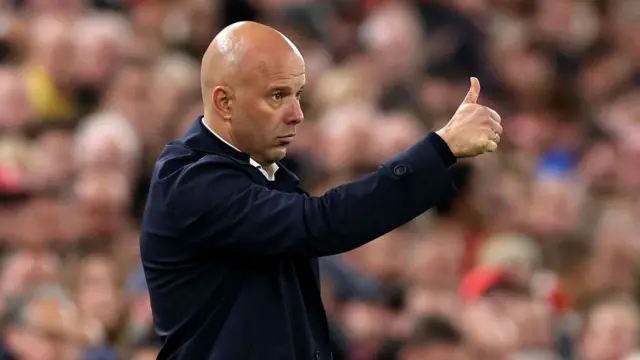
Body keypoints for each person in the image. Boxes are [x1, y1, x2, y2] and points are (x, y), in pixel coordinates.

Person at [140, 21, 502, 360]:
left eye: (297, 95)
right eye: (277, 95)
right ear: (224, 102)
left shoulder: (260, 174)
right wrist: (439, 149)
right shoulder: (190, 180)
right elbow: (321, 223)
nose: (297, 113)